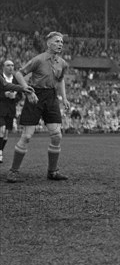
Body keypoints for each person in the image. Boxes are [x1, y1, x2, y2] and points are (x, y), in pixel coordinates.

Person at [7, 32, 70, 183]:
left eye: (61, 41)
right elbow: (19, 74)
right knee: (27, 136)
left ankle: (52, 171)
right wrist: (26, 89)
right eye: (56, 41)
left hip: (51, 97)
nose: (60, 44)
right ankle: (13, 171)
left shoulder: (62, 63)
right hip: (35, 95)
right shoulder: (38, 59)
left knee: (57, 135)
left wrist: (64, 98)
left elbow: (60, 81)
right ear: (49, 44)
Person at [1, 60, 30, 164]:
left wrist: (15, 97)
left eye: (12, 65)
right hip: (0, 108)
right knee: (1, 130)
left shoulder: (15, 80)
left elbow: (19, 95)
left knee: (6, 134)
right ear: (3, 67)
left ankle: (0, 152)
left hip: (10, 109)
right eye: (8, 65)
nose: (11, 67)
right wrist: (4, 95)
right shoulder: (1, 78)